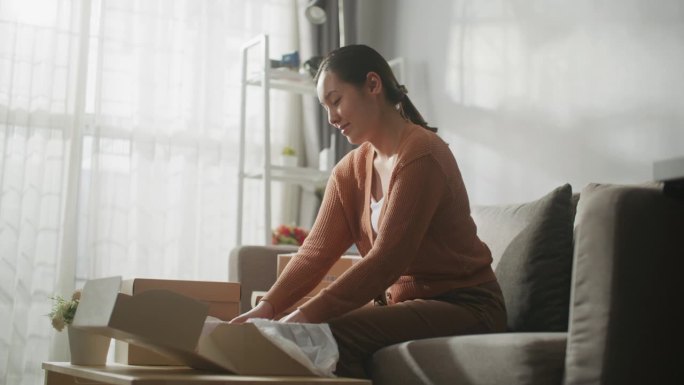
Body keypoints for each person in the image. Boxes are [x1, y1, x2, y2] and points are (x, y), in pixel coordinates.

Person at [231, 44, 507, 379]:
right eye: (325, 107)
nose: (332, 117)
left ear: (373, 85)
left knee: (327, 331)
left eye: (336, 100)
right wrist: (267, 308)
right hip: (405, 307)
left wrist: (303, 316)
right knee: (304, 330)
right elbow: (314, 254)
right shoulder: (350, 170)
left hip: (468, 307)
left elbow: (387, 260)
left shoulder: (421, 154)